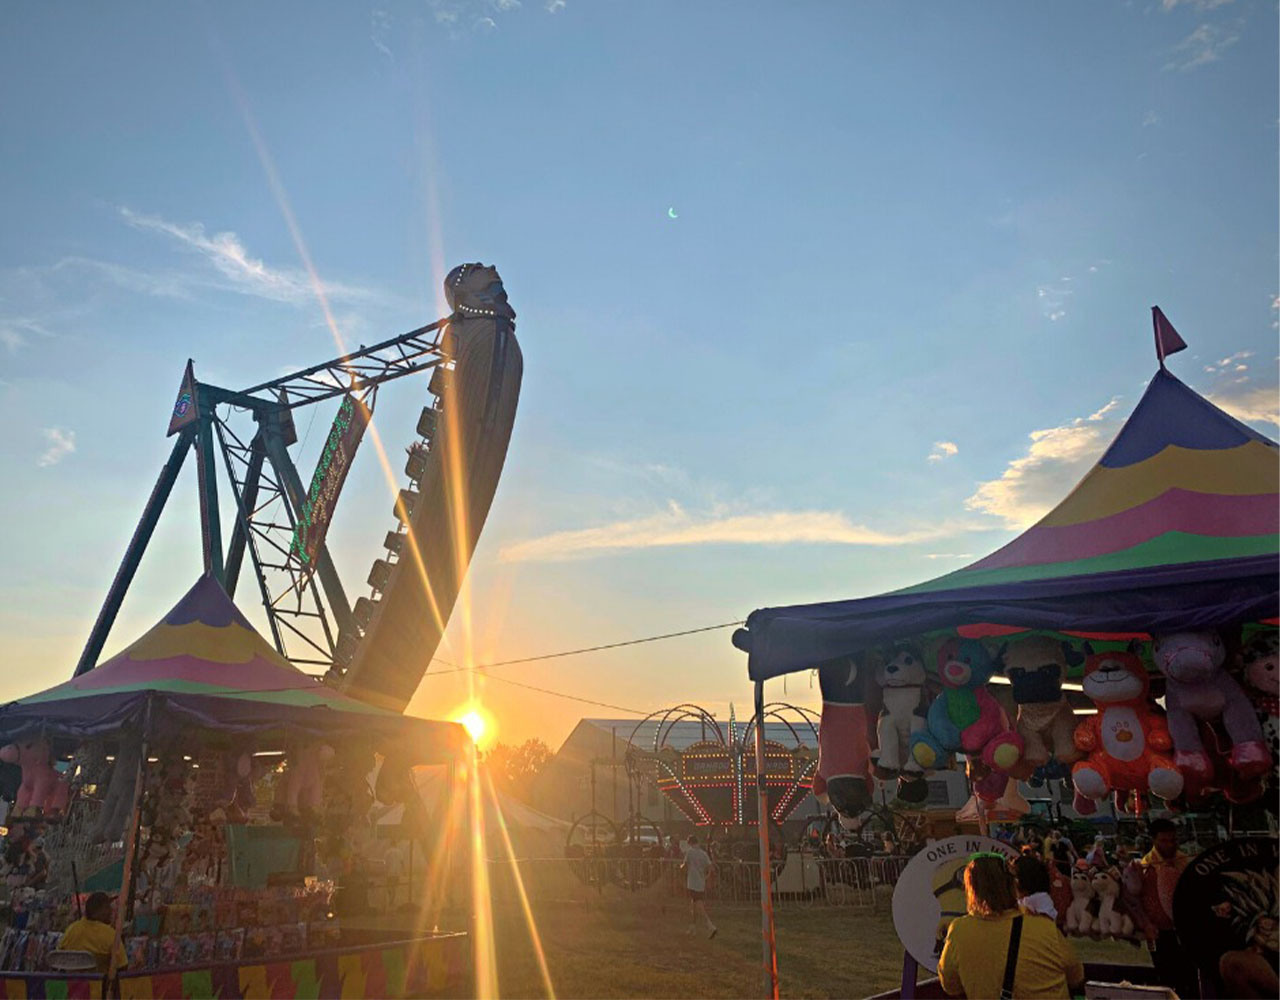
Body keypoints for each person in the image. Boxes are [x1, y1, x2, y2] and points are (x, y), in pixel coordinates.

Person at [939, 853, 1084, 999]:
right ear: (1013, 884)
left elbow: (950, 985)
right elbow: (1076, 975)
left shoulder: (959, 930)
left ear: (971, 889)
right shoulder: (1044, 927)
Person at [1140, 818, 1197, 999]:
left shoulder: (1184, 862)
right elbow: (1137, 899)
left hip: (1186, 930)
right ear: (1154, 840)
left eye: (1173, 840)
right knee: (1167, 977)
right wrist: (1147, 924)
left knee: (1192, 976)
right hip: (1160, 933)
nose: (1170, 845)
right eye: (1164, 841)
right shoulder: (1146, 866)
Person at [59, 892, 127, 973]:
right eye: (108, 907)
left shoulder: (71, 930)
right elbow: (123, 967)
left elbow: (59, 958)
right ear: (102, 911)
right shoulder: (110, 935)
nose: (111, 911)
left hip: (71, 983)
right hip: (99, 983)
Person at [681, 834, 716, 939]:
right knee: (693, 904)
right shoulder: (703, 854)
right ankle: (693, 927)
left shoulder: (690, 852)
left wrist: (680, 867)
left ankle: (710, 925)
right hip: (701, 882)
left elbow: (684, 865)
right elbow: (711, 867)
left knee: (698, 904)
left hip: (692, 882)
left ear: (690, 843)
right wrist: (707, 876)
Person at [1013, 854, 1058, 920]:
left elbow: (1046, 921)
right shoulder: (1020, 899)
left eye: (1016, 876)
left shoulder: (1042, 898)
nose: (1014, 880)